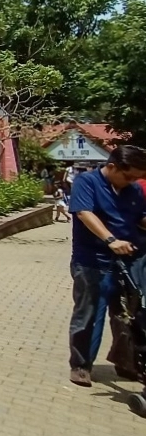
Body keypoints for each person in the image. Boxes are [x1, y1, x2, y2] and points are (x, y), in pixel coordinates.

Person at [67, 145, 146, 387]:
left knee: (128, 315)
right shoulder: (86, 182)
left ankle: (126, 362)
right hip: (93, 261)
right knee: (89, 314)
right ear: (111, 166)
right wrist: (110, 240)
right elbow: (83, 213)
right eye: (128, 176)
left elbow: (140, 217)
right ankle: (81, 365)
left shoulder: (132, 190)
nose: (131, 181)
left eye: (136, 178)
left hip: (129, 260)